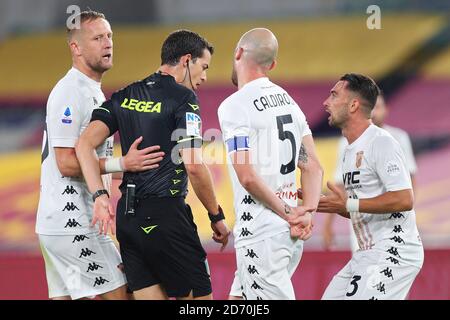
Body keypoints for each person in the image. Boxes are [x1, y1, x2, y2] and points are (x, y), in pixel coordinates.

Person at [75, 29, 231, 300]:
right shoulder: (184, 99)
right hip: (166, 217)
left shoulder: (123, 95)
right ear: (186, 60)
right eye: (203, 67)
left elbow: (83, 146)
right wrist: (216, 216)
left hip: (127, 219)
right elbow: (193, 165)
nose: (205, 76)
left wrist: (100, 195)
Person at [35, 10, 164, 300]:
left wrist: (136, 167)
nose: (108, 43)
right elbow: (67, 162)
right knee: (124, 294)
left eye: (109, 36)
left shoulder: (91, 91)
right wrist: (122, 163)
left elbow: (90, 161)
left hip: (60, 224)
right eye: (97, 38)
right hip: (74, 222)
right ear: (76, 48)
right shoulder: (71, 91)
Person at [218, 28, 323, 300]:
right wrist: (306, 212)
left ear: (238, 53)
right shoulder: (290, 102)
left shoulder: (234, 105)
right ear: (272, 65)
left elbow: (247, 177)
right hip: (288, 234)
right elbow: (312, 165)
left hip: (261, 233)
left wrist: (289, 213)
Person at [319, 73, 423, 300]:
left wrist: (349, 203)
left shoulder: (381, 142)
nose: (326, 103)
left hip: (394, 251)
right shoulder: (349, 150)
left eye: (334, 95)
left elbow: (405, 199)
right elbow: (360, 207)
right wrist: (328, 206)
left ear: (354, 104)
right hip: (366, 251)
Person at [322, 92, 418, 251]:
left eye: (378, 107)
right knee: (363, 266)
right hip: (362, 224)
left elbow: (409, 184)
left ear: (386, 110)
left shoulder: (397, 138)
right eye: (372, 108)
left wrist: (410, 216)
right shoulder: (346, 142)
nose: (374, 112)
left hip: (392, 227)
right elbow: (341, 185)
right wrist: (328, 223)